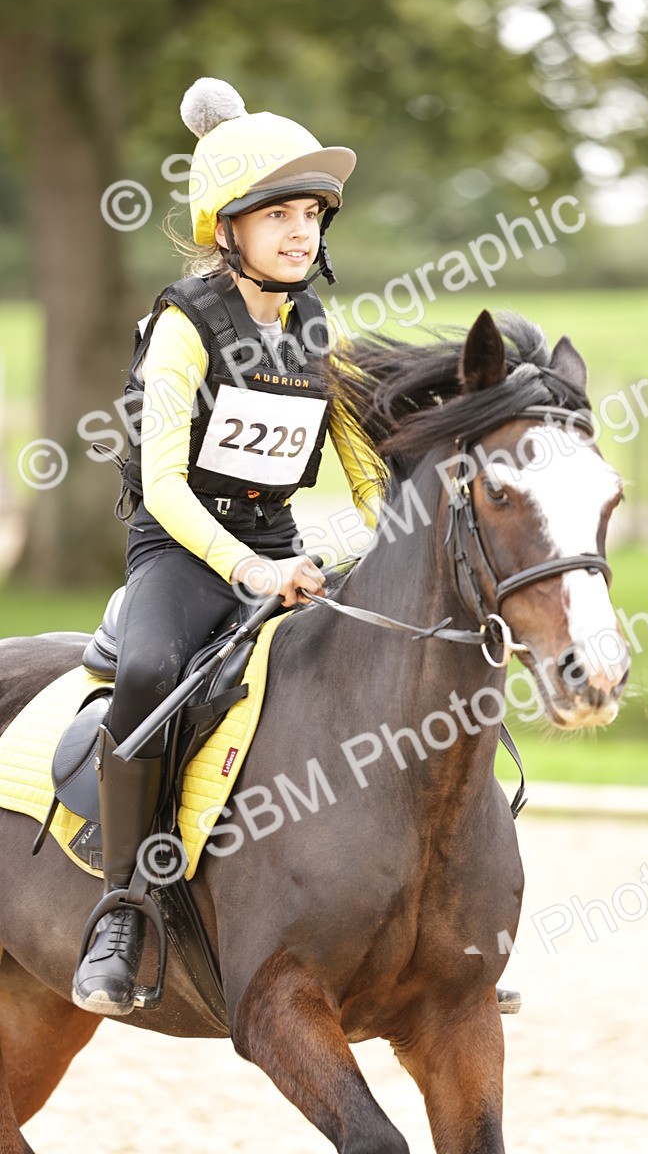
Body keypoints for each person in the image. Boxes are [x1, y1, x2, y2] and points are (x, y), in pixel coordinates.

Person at [72, 78, 385, 1016]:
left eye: (312, 216)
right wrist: (248, 569)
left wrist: (401, 536)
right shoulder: (182, 325)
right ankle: (125, 903)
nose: (302, 234)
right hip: (181, 554)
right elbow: (163, 484)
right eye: (280, 214)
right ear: (228, 227)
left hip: (282, 548)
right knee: (151, 671)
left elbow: (366, 473)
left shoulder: (317, 329)